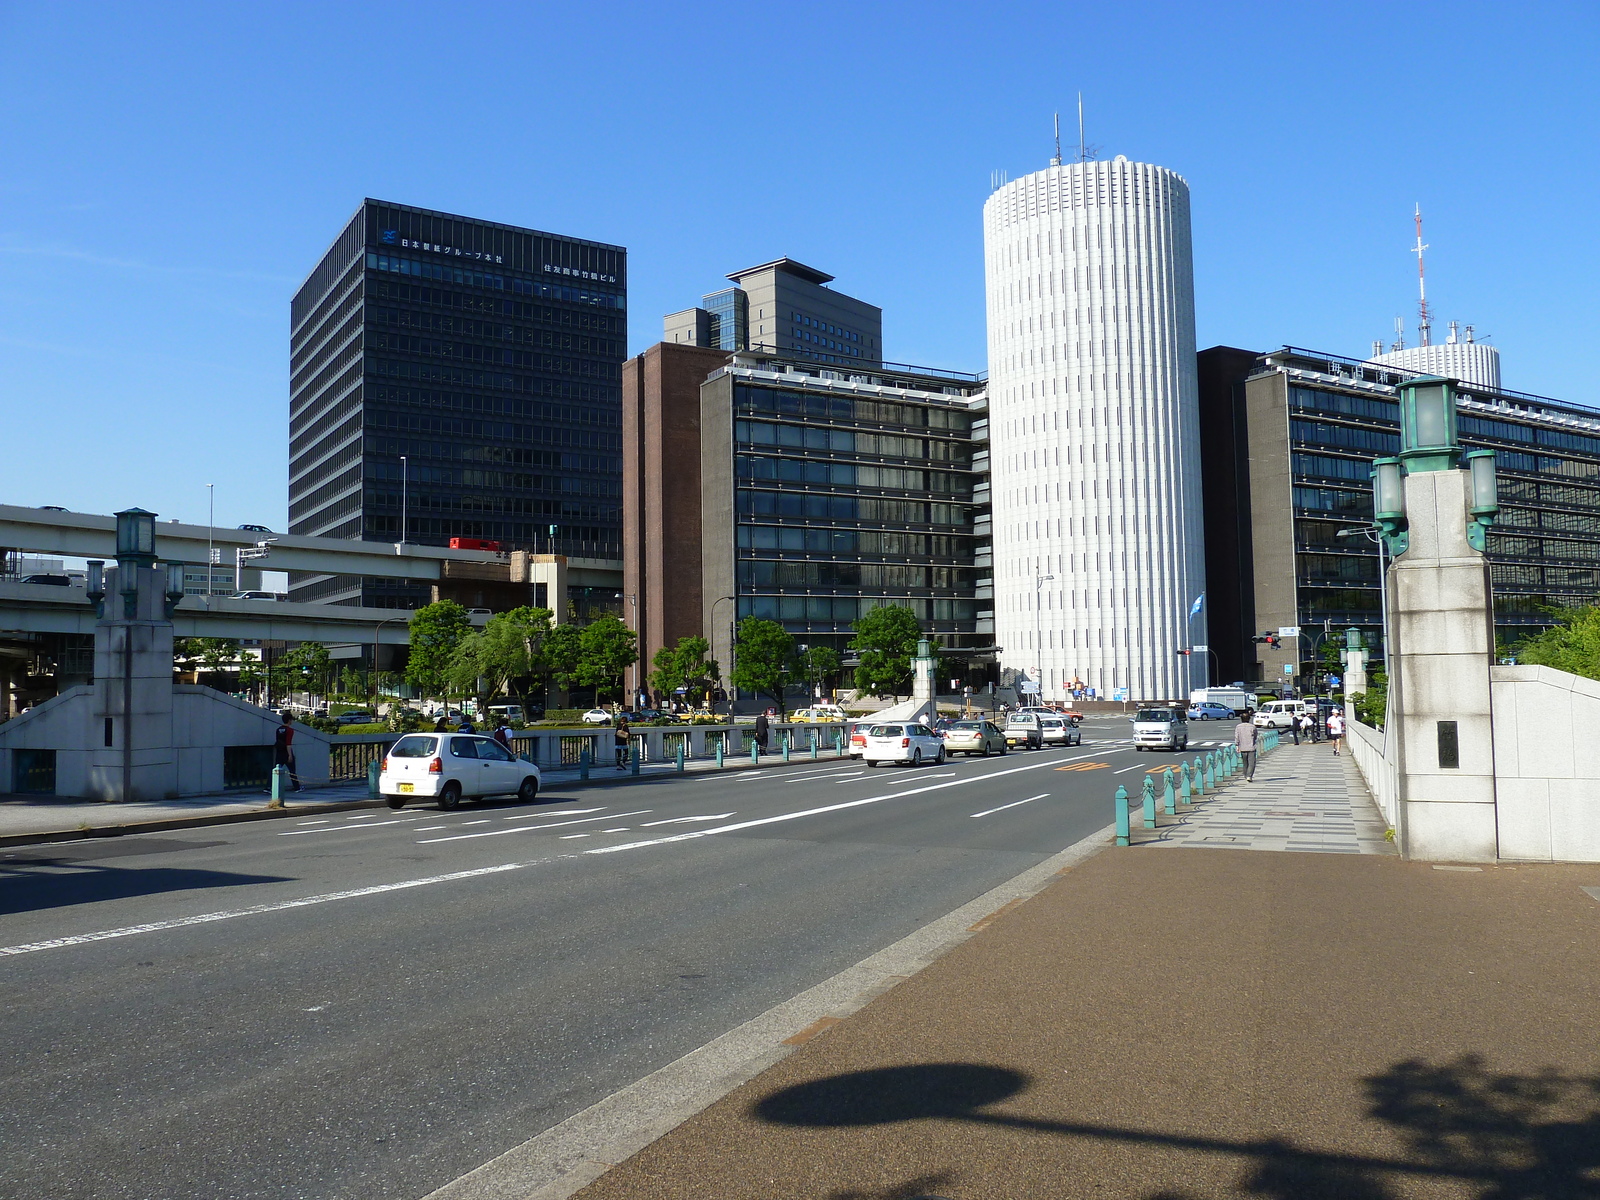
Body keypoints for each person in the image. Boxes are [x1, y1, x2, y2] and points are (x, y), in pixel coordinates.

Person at [273, 711, 301, 792]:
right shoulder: (290, 730)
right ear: (289, 720)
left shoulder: (278, 729)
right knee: (292, 771)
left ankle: (270, 787)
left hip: (279, 751)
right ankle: (297, 787)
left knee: (276, 770)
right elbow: (288, 743)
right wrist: (290, 755)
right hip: (286, 752)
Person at [1233, 712, 1259, 782]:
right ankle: (1249, 776)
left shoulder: (1238, 727)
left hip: (1242, 747)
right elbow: (1256, 735)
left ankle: (1245, 774)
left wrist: (1237, 745)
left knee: (1245, 763)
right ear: (1249, 719)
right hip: (1251, 747)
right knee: (1252, 763)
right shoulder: (1252, 726)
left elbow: (1237, 737)